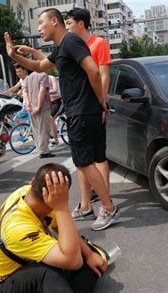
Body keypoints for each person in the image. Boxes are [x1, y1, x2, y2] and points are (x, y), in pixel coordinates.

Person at [4, 8, 120, 231]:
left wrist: (101, 101)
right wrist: (15, 55)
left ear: (54, 21)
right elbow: (38, 66)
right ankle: (88, 208)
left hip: (82, 112)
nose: (38, 28)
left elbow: (94, 72)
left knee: (85, 163)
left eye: (41, 22)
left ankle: (108, 207)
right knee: (90, 160)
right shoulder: (62, 47)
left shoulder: (71, 41)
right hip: (86, 111)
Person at [0, 163, 108, 293]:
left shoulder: (27, 192)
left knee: (89, 256)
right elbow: (73, 261)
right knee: (48, 273)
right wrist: (62, 207)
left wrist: (90, 254)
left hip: (24, 272)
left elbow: (61, 227)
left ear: (33, 181)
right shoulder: (17, 227)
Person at [65, 8, 112, 221]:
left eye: (69, 23)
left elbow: (103, 76)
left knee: (97, 157)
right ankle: (86, 205)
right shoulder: (72, 45)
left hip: (93, 108)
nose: (67, 28)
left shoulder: (98, 43)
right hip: (80, 109)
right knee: (82, 161)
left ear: (80, 24)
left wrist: (102, 104)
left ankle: (105, 202)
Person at [25, 70, 55, 158]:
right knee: (43, 129)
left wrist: (28, 104)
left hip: (31, 106)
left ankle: (40, 149)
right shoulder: (43, 75)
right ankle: (44, 152)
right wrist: (39, 106)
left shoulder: (29, 77)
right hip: (42, 106)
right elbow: (42, 91)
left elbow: (24, 92)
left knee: (36, 130)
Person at [48, 74, 61, 145]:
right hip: (49, 103)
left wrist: (45, 91)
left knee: (50, 118)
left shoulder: (51, 78)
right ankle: (50, 134)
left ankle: (56, 139)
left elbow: (55, 90)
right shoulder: (40, 80)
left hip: (58, 102)